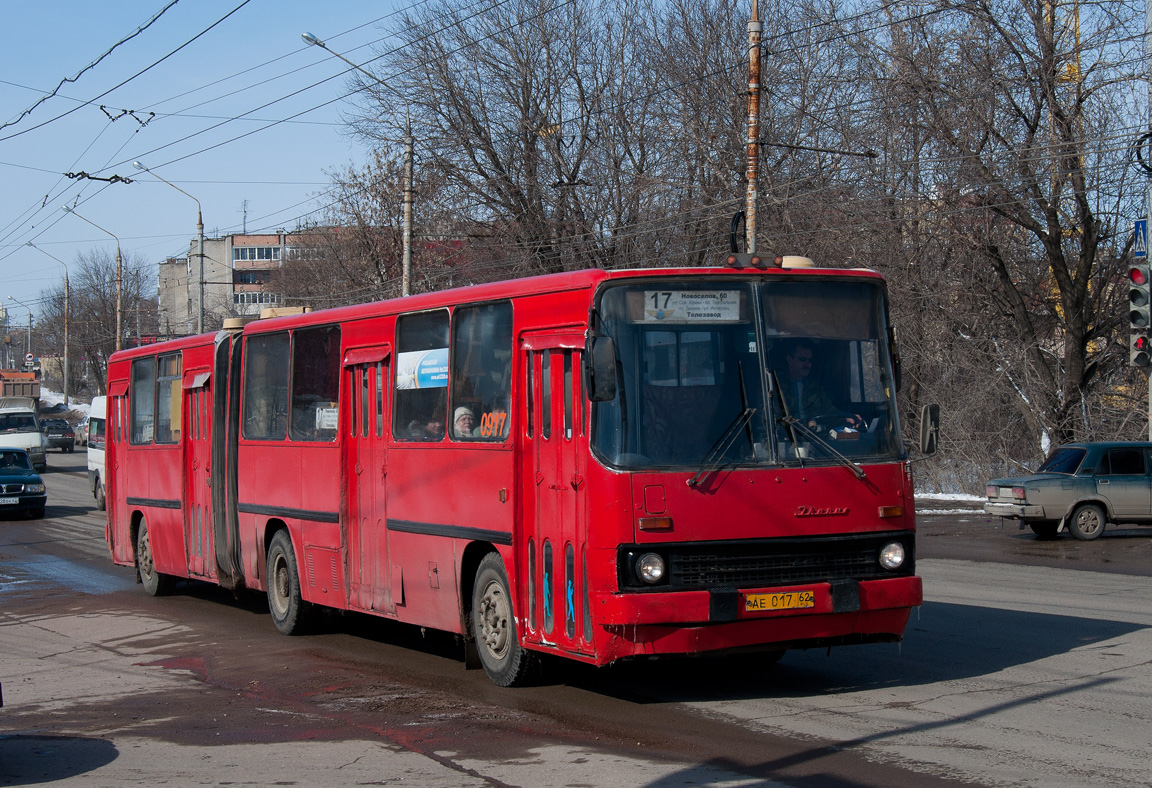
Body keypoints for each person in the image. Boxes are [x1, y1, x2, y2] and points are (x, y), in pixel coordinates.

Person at [778, 340, 862, 430]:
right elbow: (770, 418)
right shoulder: (777, 386)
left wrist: (846, 417)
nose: (807, 364)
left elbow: (830, 412)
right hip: (786, 439)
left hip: (815, 438)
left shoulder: (814, 387)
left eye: (810, 360)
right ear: (790, 360)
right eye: (802, 359)